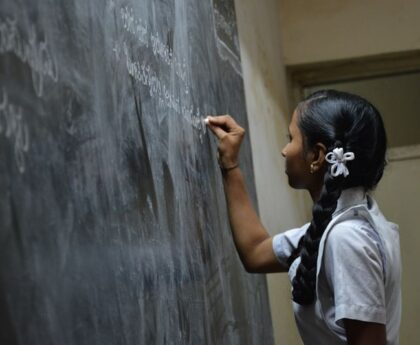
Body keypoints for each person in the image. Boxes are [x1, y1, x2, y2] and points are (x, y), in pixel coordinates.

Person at [205, 90, 401, 345]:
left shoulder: (348, 238)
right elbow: (255, 252)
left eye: (291, 138)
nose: (285, 151)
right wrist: (230, 164)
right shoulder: (343, 225)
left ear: (317, 156)